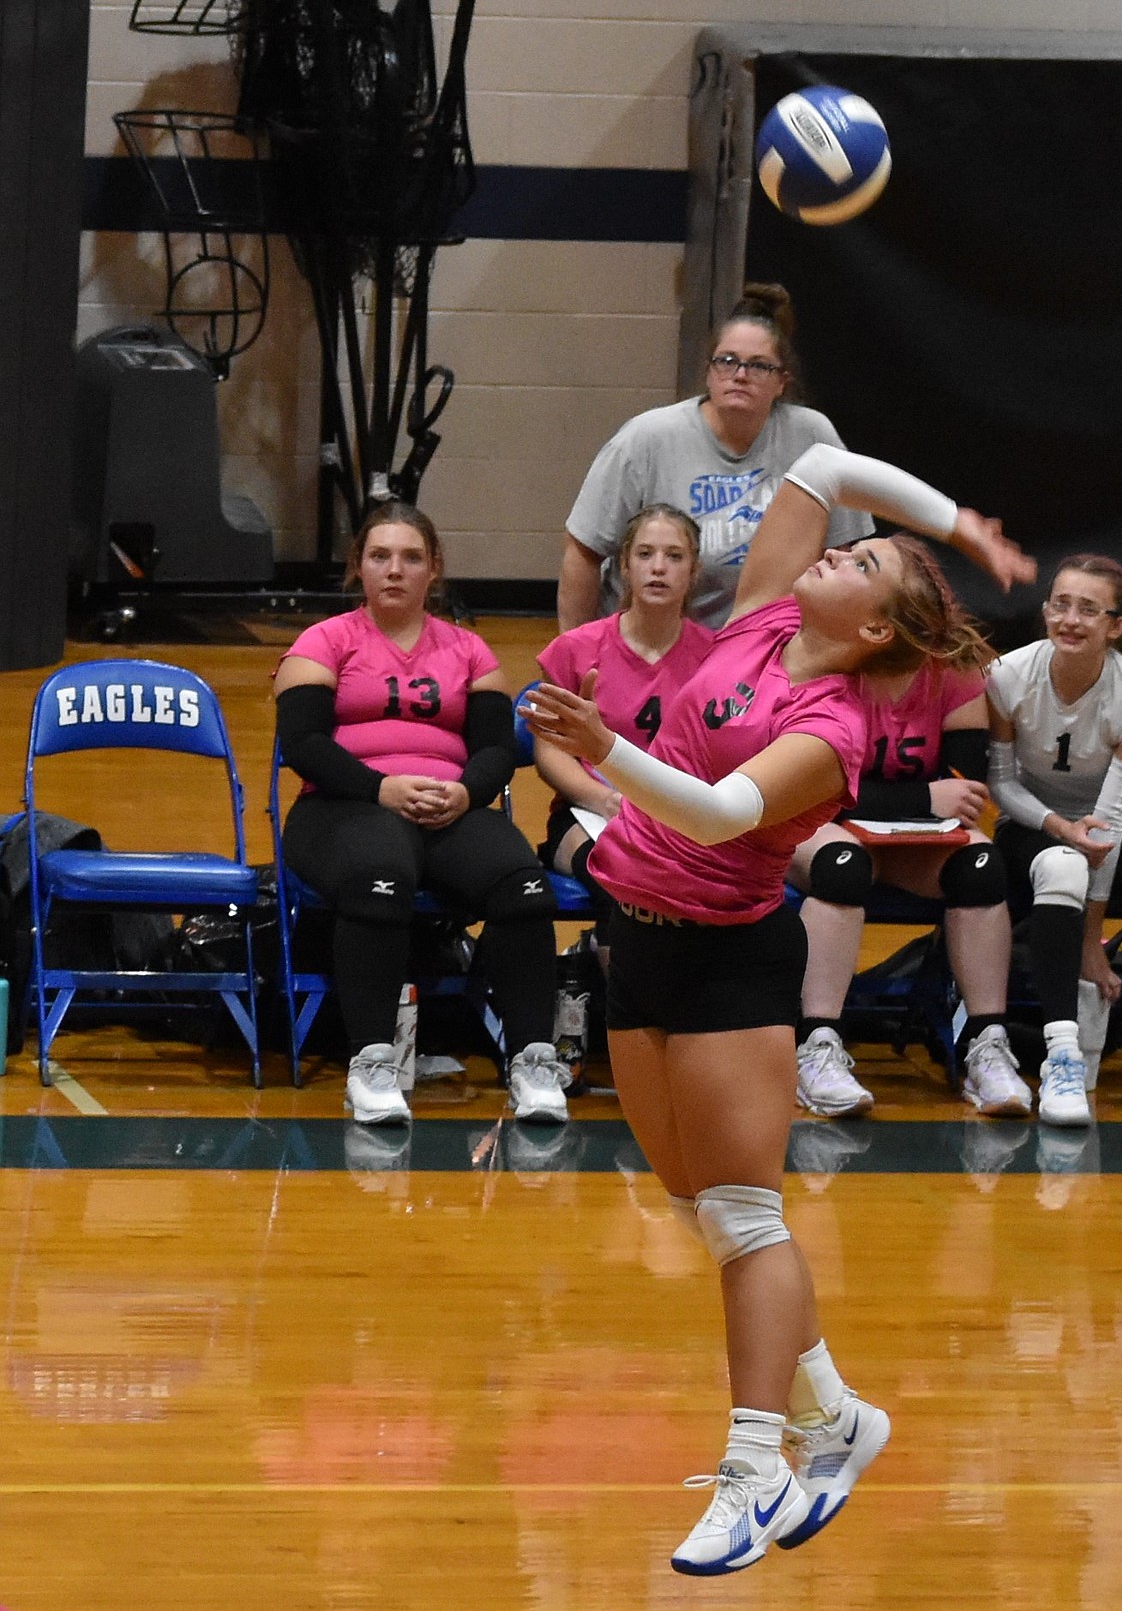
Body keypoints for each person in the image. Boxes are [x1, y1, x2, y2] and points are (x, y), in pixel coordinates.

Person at [525, 441, 1033, 1574]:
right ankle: (839, 1416)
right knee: (696, 1203)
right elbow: (822, 461)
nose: (839, 549)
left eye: (864, 565)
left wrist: (606, 748)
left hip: (731, 960)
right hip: (636, 941)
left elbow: (713, 816)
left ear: (872, 633)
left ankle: (759, 1471)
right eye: (850, 547)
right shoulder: (760, 615)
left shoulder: (836, 730)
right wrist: (958, 523)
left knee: (747, 1219)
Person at [273, 502, 569, 1129]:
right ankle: (374, 1062)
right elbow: (303, 744)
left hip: (446, 806)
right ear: (359, 566)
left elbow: (494, 748)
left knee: (524, 884)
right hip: (342, 805)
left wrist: (466, 792)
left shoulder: (469, 650)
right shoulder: (322, 641)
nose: (395, 570)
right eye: (380, 556)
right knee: (379, 880)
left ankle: (533, 1059)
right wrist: (379, 788)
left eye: (411, 558)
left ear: (434, 569)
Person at [788, 555, 1032, 1120]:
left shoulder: (956, 673)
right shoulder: (830, 661)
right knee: (842, 865)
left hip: (902, 839)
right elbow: (808, 783)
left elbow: (965, 794)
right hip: (813, 825)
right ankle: (817, 1044)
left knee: (980, 865)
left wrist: (918, 803)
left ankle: (986, 1043)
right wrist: (920, 799)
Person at [558, 284, 873, 631]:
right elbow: (582, 553)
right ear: (708, 373)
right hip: (656, 642)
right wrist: (573, 657)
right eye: (727, 361)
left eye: (759, 366)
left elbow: (846, 555)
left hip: (763, 645)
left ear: (782, 381)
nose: (740, 375)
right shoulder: (645, 438)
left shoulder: (813, 437)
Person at [988, 554, 1122, 1128]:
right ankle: (1061, 1057)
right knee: (1064, 865)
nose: (1069, 619)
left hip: (1115, 821)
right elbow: (1001, 783)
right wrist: (1057, 827)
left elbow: (1109, 827)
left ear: (1115, 625)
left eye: (1088, 610)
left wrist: (1093, 938)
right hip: (1032, 821)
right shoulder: (1007, 676)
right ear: (1044, 611)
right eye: (1060, 604)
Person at [534, 504, 714, 957]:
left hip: (682, 819)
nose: (658, 567)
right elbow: (550, 751)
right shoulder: (575, 649)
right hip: (587, 813)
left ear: (693, 572)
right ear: (624, 567)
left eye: (674, 556)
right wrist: (605, 800)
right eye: (645, 554)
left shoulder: (717, 656)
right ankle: (625, 1013)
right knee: (621, 881)